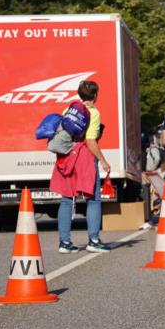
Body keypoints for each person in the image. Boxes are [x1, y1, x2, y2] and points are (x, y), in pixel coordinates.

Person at [53, 80, 112, 254]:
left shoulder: (68, 110)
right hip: (84, 157)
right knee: (93, 199)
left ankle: (65, 243)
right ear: (95, 95)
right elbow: (90, 141)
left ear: (80, 94)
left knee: (66, 200)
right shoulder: (93, 113)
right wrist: (102, 160)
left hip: (67, 157)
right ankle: (93, 240)